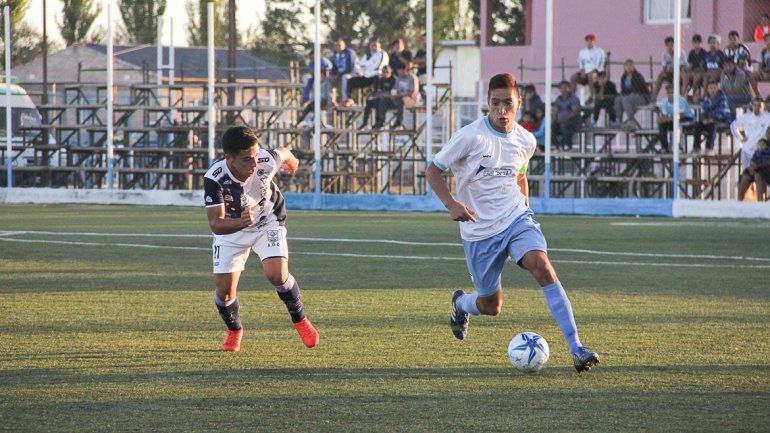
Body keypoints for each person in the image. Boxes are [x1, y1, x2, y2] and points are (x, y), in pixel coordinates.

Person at [424, 73, 600, 373]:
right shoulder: (470, 136)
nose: (501, 110)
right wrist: (452, 204)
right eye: (495, 103)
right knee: (491, 306)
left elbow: (519, 174)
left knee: (542, 266)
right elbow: (433, 170)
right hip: (479, 231)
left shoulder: (526, 140)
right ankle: (461, 304)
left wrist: (525, 205)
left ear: (519, 103)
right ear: (488, 103)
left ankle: (577, 348)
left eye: (508, 103)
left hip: (516, 219)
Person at [203, 126, 319, 352]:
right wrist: (240, 222)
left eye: (256, 156)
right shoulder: (214, 179)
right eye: (247, 159)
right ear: (230, 158)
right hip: (232, 230)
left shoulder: (264, 160)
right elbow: (216, 224)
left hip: (268, 221)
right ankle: (234, 330)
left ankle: (301, 320)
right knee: (225, 292)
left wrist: (292, 158)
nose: (255, 164)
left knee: (277, 274)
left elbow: (282, 152)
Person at [343, 38, 389, 103]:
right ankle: (349, 99)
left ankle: (375, 97)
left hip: (376, 76)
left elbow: (378, 66)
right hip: (365, 76)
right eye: (372, 45)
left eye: (375, 45)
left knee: (377, 78)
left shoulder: (382, 54)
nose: (373, 47)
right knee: (350, 81)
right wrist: (361, 70)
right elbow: (359, 64)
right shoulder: (367, 55)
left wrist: (366, 67)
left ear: (379, 45)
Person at [692, 81, 733, 153]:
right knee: (698, 125)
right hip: (709, 120)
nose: (712, 90)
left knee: (712, 125)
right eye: (710, 88)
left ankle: (709, 148)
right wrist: (704, 119)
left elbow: (721, 112)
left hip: (722, 121)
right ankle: (696, 148)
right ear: (707, 89)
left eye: (714, 88)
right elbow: (704, 112)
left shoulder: (722, 98)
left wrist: (712, 119)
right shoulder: (707, 100)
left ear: (717, 89)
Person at [730, 98, 770, 172]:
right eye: (755, 105)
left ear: (763, 106)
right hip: (746, 150)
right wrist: (740, 137)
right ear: (752, 105)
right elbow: (733, 126)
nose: (757, 107)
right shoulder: (746, 116)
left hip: (759, 152)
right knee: (746, 174)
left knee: (757, 175)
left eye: (759, 105)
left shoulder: (768, 117)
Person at [656, 82, 694, 152]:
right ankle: (664, 147)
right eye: (668, 92)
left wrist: (667, 118)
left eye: (672, 91)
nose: (670, 94)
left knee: (678, 124)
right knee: (661, 125)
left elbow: (681, 115)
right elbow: (665, 115)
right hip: (672, 120)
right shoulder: (664, 101)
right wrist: (662, 119)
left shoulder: (681, 100)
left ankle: (679, 147)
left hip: (687, 120)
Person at [358, 65, 397, 130]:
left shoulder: (394, 80)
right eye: (383, 72)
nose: (385, 73)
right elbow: (378, 91)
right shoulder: (381, 80)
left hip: (391, 101)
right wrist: (374, 95)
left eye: (387, 72)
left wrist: (384, 95)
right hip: (381, 98)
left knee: (381, 101)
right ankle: (365, 123)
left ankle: (380, 122)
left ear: (390, 72)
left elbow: (394, 93)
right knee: (370, 102)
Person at [614, 59, 650, 128]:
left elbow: (637, 89)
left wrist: (628, 89)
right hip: (630, 96)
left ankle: (631, 121)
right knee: (618, 99)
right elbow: (623, 90)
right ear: (624, 67)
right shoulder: (623, 77)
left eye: (630, 65)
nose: (629, 67)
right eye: (627, 65)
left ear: (634, 66)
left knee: (626, 99)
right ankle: (618, 120)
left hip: (642, 97)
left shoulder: (638, 76)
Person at [570, 33, 606, 101]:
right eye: (587, 41)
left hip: (597, 73)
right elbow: (581, 63)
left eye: (591, 41)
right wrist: (582, 71)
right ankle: (572, 96)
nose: (589, 42)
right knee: (573, 77)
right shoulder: (582, 51)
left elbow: (600, 64)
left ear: (594, 41)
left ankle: (592, 96)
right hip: (585, 73)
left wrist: (594, 71)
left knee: (590, 75)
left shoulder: (599, 51)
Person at [552, 80, 582, 150]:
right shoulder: (558, 99)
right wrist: (556, 119)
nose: (563, 90)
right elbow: (555, 111)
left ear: (569, 88)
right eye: (561, 88)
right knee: (553, 126)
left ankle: (567, 145)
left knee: (564, 126)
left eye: (565, 87)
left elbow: (575, 112)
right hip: (561, 120)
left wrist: (564, 119)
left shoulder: (573, 98)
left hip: (573, 121)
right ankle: (557, 146)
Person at [683, 34, 708, 101]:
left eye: (698, 43)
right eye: (694, 43)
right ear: (692, 43)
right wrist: (687, 70)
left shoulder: (704, 53)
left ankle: (693, 95)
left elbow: (704, 67)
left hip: (702, 73)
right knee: (686, 76)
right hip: (693, 72)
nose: (696, 45)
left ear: (701, 43)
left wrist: (696, 71)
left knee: (696, 78)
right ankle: (683, 95)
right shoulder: (691, 53)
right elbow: (690, 65)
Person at [749, 33, 770, 99]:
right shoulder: (762, 52)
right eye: (767, 40)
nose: (769, 42)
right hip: (764, 73)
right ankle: (758, 95)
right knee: (752, 75)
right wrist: (762, 73)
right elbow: (760, 66)